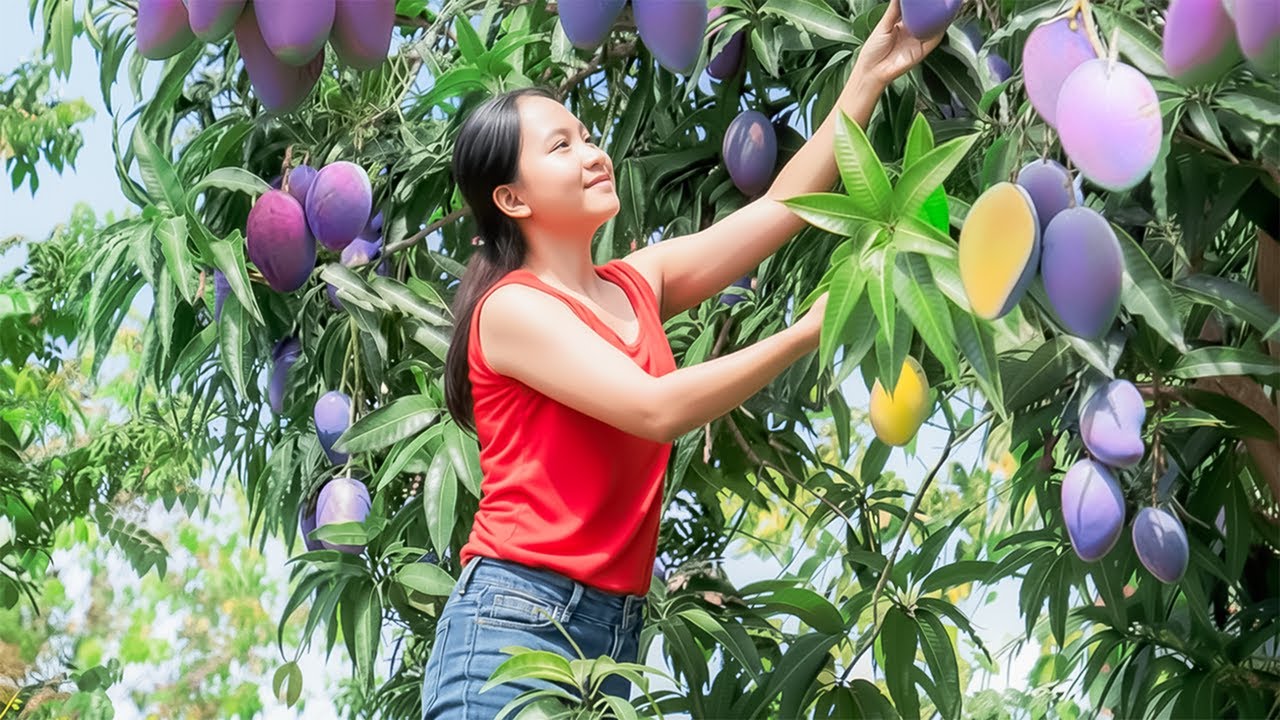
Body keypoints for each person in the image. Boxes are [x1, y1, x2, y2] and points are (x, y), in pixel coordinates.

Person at [421, 2, 941, 717]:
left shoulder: (639, 282)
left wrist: (867, 78)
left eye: (586, 135)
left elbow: (786, 205)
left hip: (615, 637)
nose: (593, 152)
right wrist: (801, 334)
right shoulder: (510, 310)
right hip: (514, 628)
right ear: (510, 197)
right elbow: (655, 409)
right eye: (560, 147)